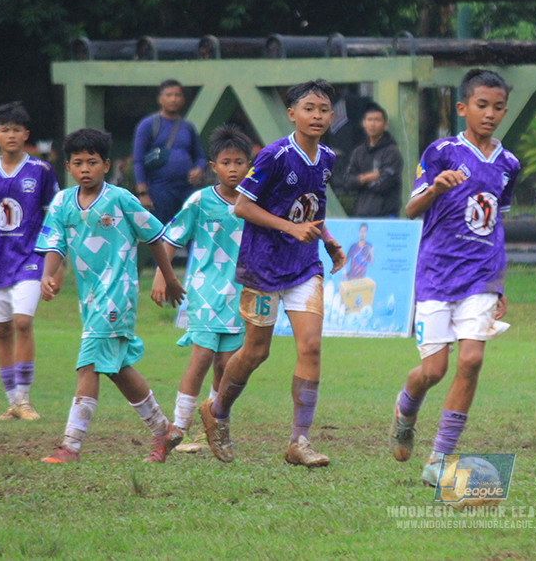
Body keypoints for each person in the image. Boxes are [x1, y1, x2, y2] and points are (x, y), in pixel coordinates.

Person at [199, 80, 346, 468]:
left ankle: (299, 441)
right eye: (309, 108)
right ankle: (217, 410)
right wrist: (289, 227)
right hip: (262, 266)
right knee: (256, 351)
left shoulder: (327, 157)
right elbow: (243, 207)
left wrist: (326, 238)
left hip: (304, 265)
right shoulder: (274, 155)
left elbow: (313, 207)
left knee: (311, 346)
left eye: (324, 109)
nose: (317, 116)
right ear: (292, 114)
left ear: (332, 116)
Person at [387, 68, 520, 486]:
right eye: (482, 105)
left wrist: (500, 284)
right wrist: (435, 189)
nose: (490, 114)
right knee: (433, 370)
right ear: (463, 108)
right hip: (436, 273)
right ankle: (404, 411)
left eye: (498, 107)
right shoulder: (441, 152)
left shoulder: (509, 164)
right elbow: (411, 210)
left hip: (481, 275)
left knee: (472, 359)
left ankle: (439, 459)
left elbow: (497, 224)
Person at [35, 128, 186, 463]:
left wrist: (170, 278)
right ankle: (164, 430)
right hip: (88, 298)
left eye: (92, 162)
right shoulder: (61, 202)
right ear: (70, 168)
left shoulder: (120, 198)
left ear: (106, 165)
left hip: (118, 294)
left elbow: (154, 237)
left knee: (88, 362)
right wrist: (49, 274)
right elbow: (54, 243)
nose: (85, 168)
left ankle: (70, 446)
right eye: (78, 163)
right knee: (116, 368)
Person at [151, 124, 252, 452]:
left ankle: (213, 424)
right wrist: (162, 277)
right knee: (202, 357)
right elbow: (170, 238)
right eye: (226, 162)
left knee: (227, 363)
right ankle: (178, 427)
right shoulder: (200, 201)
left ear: (249, 165)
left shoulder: (255, 204)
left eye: (239, 162)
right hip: (204, 290)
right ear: (214, 167)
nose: (233, 168)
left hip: (241, 292)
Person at [0, 102, 60, 421]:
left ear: (26, 135)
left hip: (31, 259)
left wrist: (57, 264)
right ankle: (11, 401)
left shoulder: (41, 171)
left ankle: (24, 399)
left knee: (22, 322)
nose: (11, 135)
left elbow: (55, 219)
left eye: (17, 129)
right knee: (1, 331)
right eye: (5, 129)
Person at [132, 79, 206, 224]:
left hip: (186, 189)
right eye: (169, 95)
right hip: (160, 190)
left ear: (183, 99)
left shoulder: (188, 127)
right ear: (160, 99)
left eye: (177, 95)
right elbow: (138, 160)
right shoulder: (148, 125)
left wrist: (198, 170)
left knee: (192, 229)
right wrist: (143, 193)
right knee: (162, 234)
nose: (173, 99)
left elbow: (200, 157)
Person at [343, 102, 403, 217]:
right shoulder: (359, 152)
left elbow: (384, 184)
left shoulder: (392, 152)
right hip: (361, 216)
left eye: (377, 120)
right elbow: (347, 183)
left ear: (385, 125)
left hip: (386, 217)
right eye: (369, 120)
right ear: (363, 123)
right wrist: (369, 177)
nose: (373, 124)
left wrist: (359, 180)